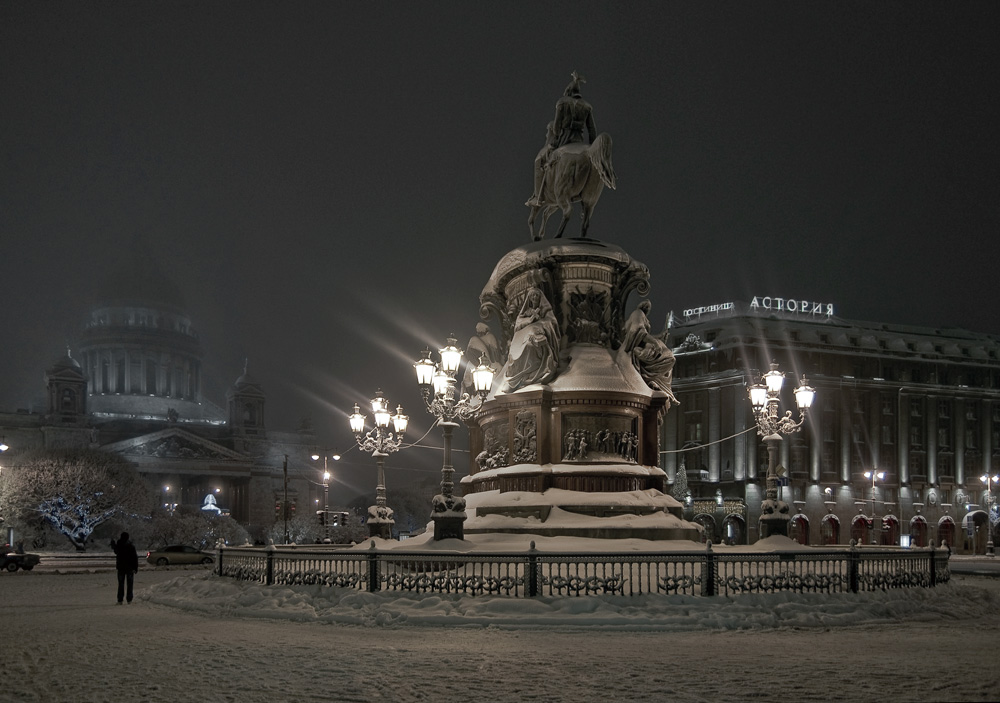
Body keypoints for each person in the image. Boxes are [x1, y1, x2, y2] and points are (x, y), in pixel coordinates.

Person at [110, 531, 139, 605]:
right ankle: (129, 599)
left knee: (121, 584)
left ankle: (120, 599)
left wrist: (113, 545)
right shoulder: (131, 546)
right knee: (130, 584)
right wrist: (135, 567)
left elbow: (116, 551)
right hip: (129, 567)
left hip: (121, 567)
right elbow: (135, 557)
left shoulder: (119, 545)